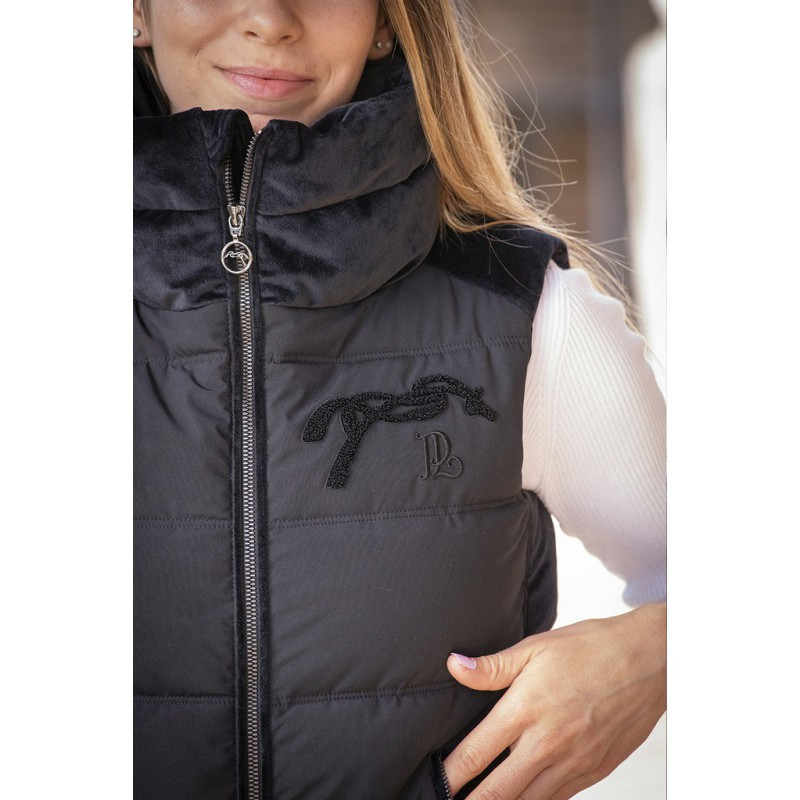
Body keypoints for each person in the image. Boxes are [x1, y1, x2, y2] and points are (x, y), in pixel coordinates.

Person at [133, 2, 666, 799]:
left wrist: (654, 656)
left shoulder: (520, 309)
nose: (270, 17)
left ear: (385, 21)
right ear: (137, 10)